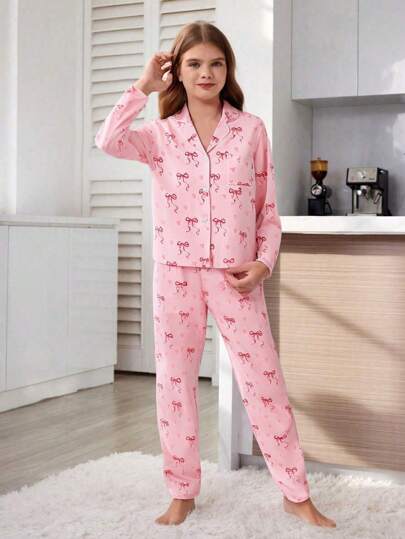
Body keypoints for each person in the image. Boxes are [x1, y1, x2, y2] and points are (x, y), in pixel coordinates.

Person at [95, 20, 336, 530]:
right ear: (178, 71)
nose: (206, 73)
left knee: (264, 381)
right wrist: (142, 87)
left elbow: (267, 210)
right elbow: (107, 141)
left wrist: (264, 261)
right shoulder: (160, 135)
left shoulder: (250, 130)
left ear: (228, 70)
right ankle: (181, 491)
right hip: (176, 275)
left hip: (235, 275)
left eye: (216, 63)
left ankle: (295, 493)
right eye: (194, 63)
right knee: (175, 384)